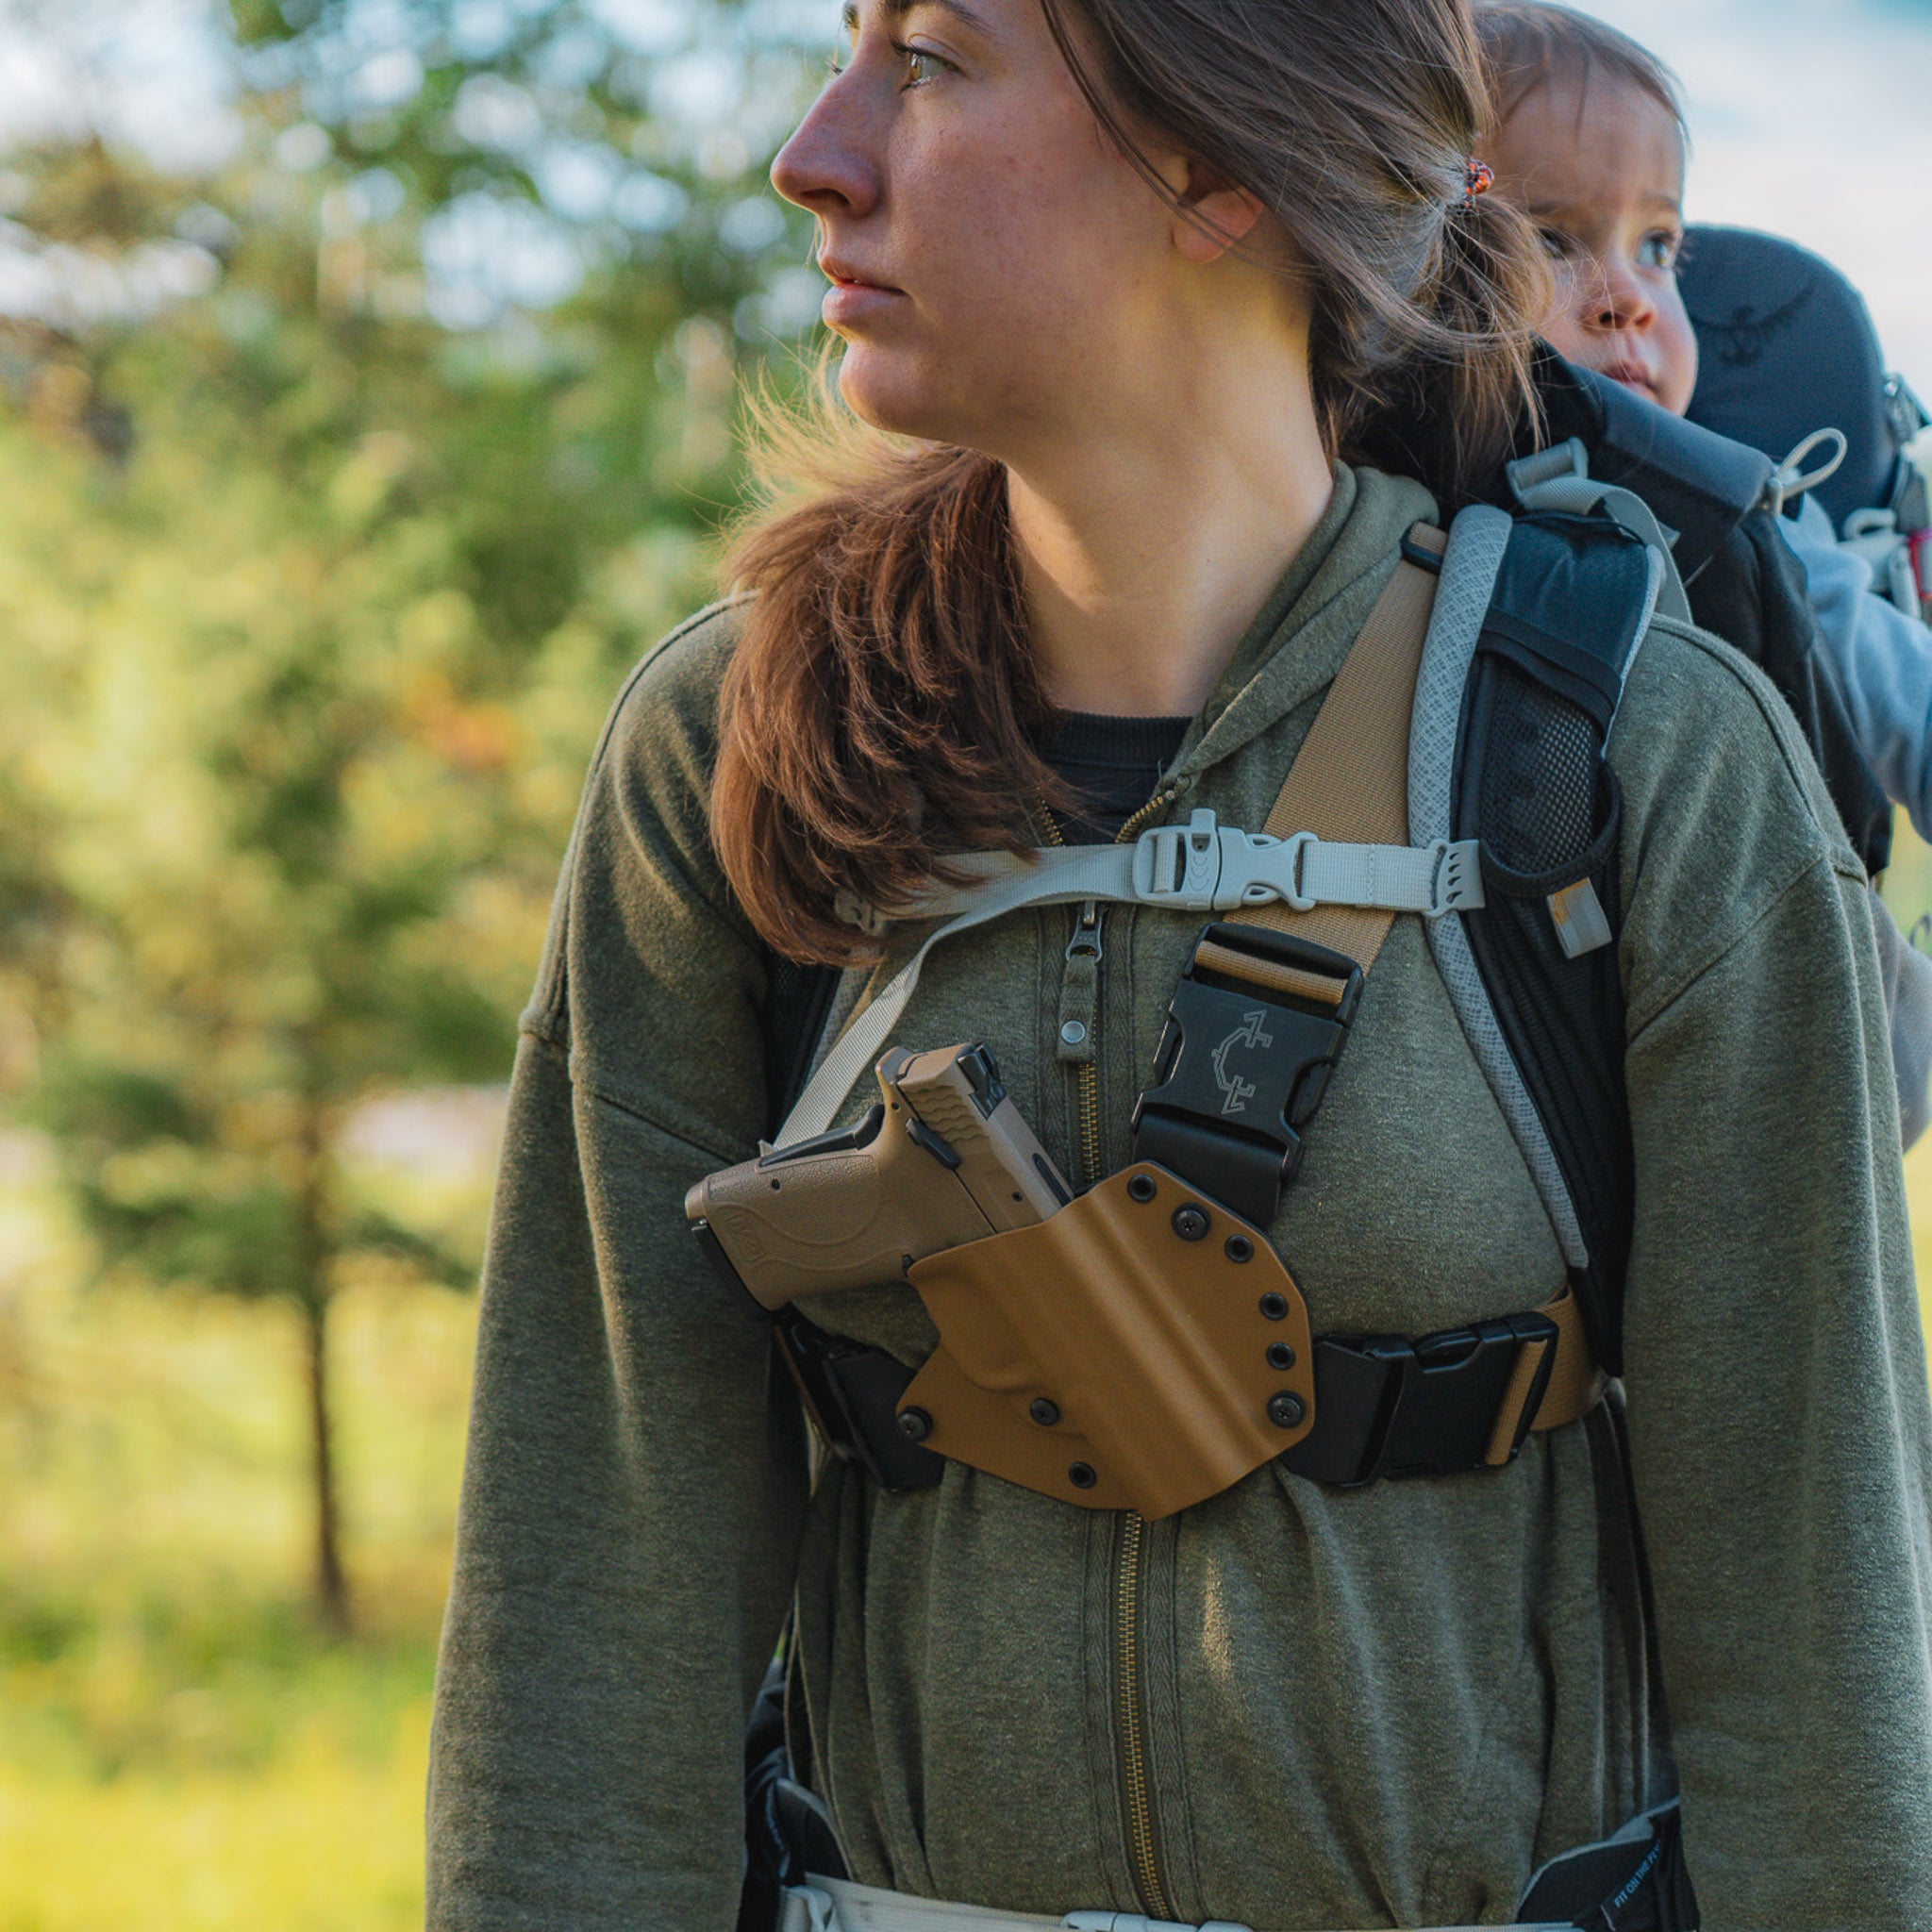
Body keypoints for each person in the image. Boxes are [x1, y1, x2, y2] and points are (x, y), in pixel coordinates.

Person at [425, 3, 1932, 1929]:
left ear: (1222, 160)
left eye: (930, 57)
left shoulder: (1639, 763)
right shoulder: (736, 749)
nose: (815, 153)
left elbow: (1826, 1682)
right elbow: (584, 1637)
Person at [1474, 0, 1932, 840]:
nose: (1629, 299)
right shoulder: (1363, 492)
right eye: (1552, 240)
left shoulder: (1752, 532)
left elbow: (1917, 711)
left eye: (1657, 247)